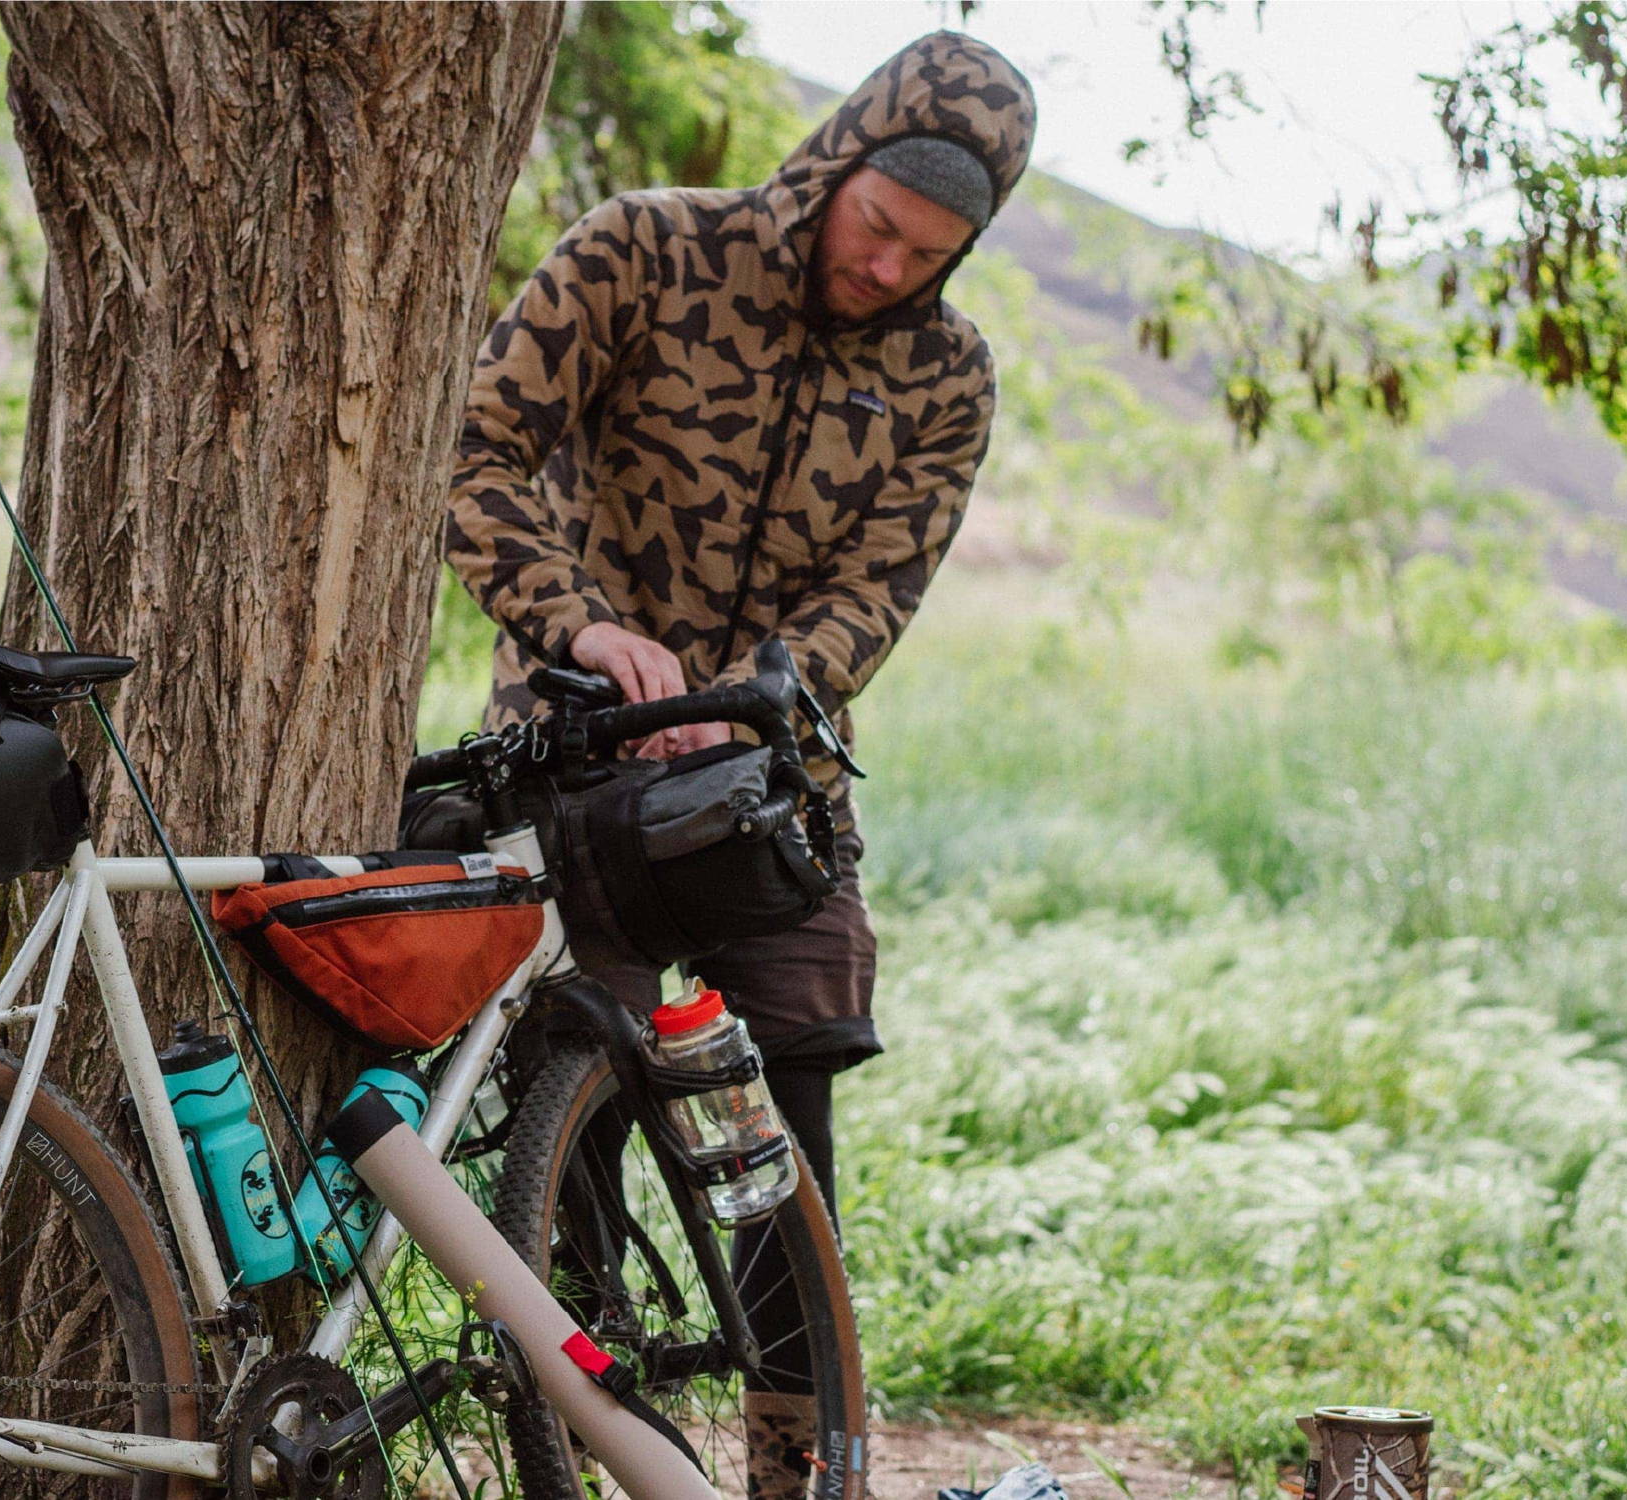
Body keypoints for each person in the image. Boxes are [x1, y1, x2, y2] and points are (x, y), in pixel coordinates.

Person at [444, 28, 1035, 1496]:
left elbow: (877, 592)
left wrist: (758, 695)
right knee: (562, 1127)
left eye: (931, 253)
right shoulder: (640, 251)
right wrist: (579, 626)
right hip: (574, 763)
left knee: (785, 1139)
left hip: (772, 792)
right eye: (879, 228)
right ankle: (580, 1450)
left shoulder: (948, 378)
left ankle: (796, 1469)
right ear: (835, 167)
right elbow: (478, 452)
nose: (891, 268)